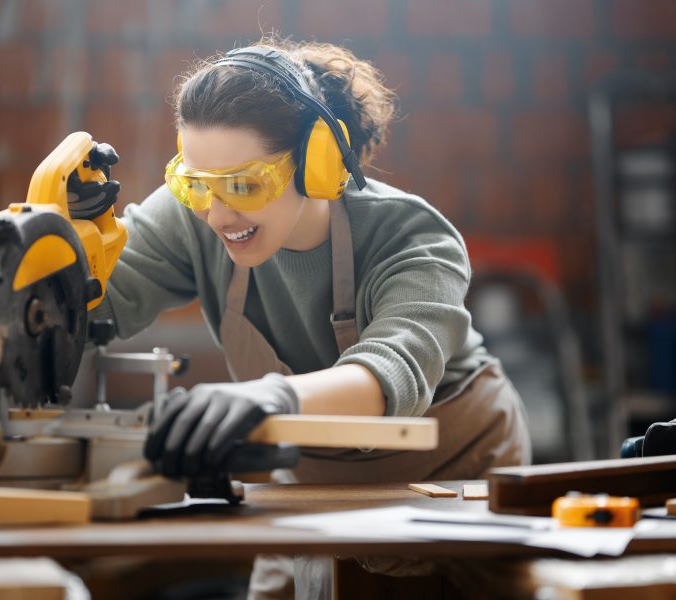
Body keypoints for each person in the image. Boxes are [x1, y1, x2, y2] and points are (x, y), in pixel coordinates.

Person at [88, 37, 531, 600]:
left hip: (452, 479)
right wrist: (49, 253)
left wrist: (271, 398)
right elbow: (95, 299)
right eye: (197, 185)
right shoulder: (196, 214)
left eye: (244, 185)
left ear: (315, 162)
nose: (218, 215)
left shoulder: (412, 238)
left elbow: (392, 371)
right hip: (310, 482)